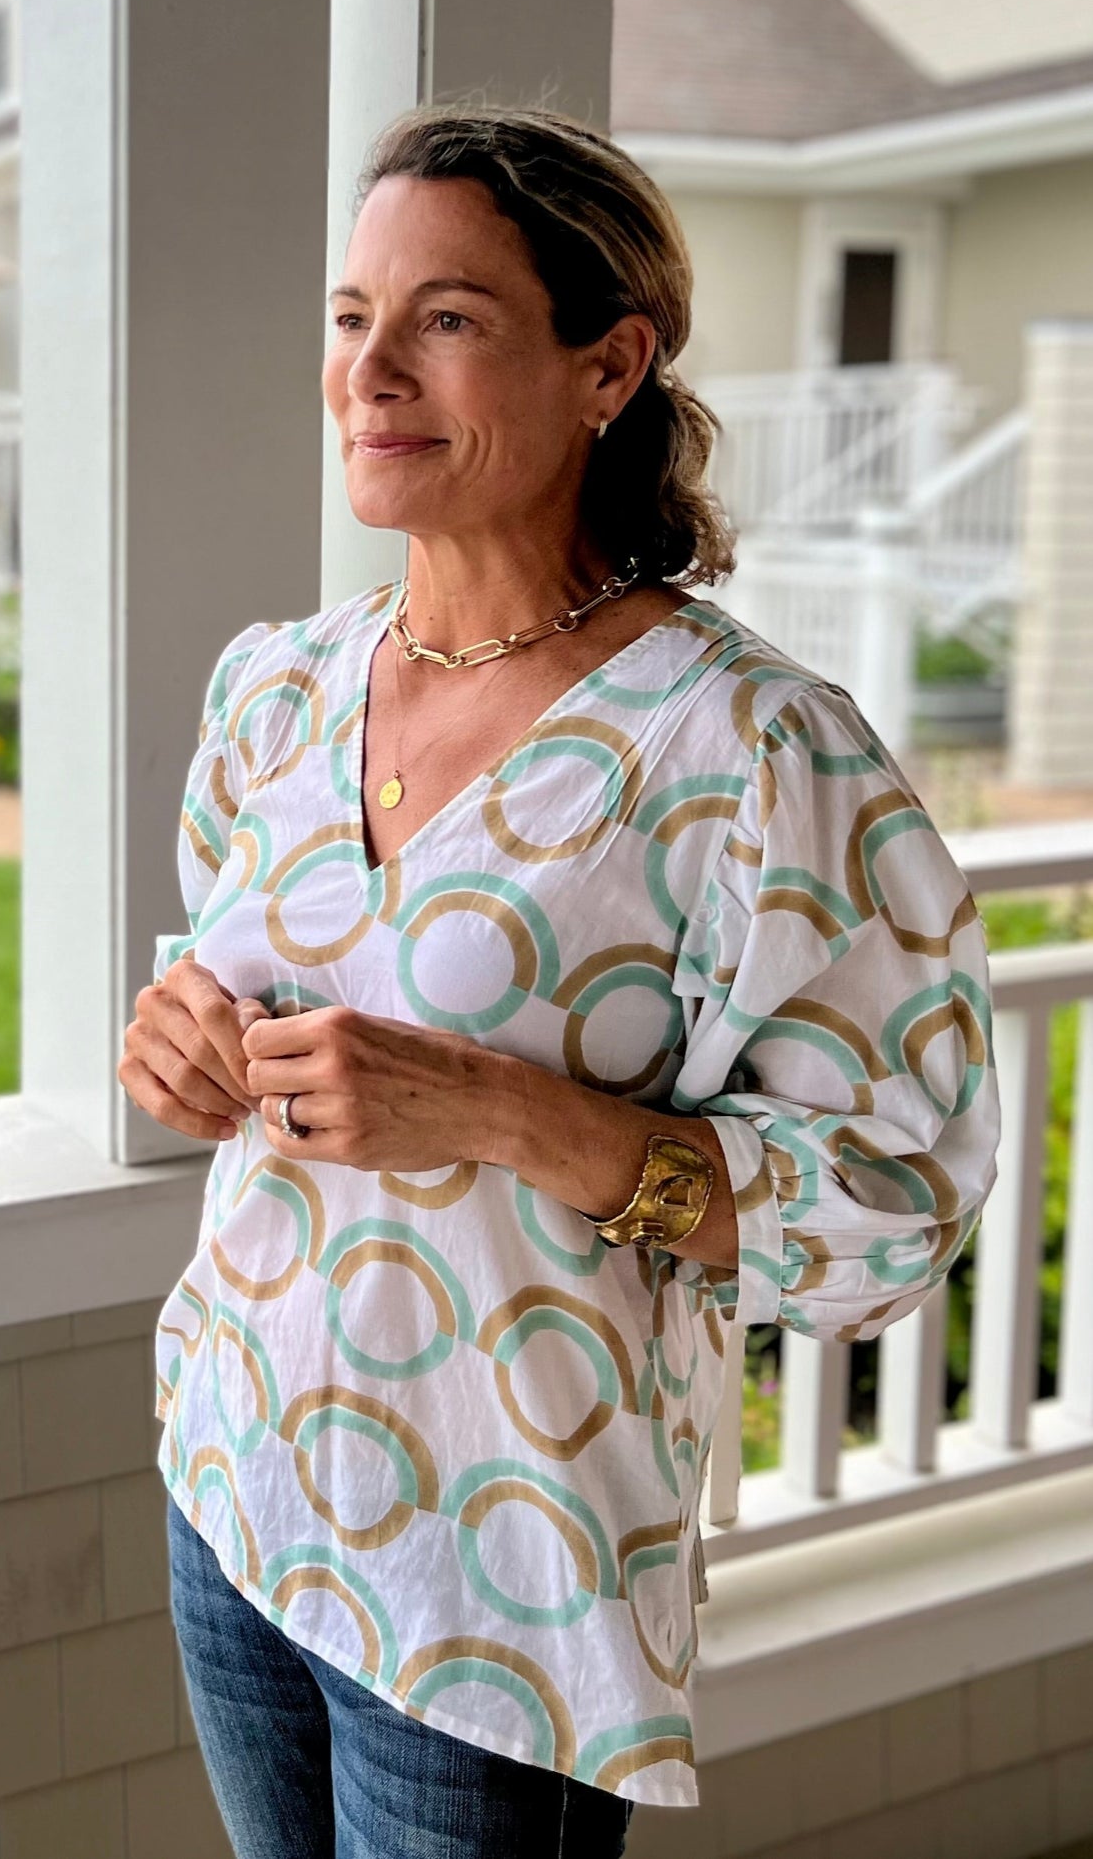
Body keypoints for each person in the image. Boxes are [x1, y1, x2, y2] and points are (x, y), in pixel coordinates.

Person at [120, 102, 1001, 1857]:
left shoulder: (748, 751)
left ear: (612, 367)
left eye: (446, 319)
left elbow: (896, 1191)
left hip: (500, 1577)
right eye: (351, 315)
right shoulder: (277, 692)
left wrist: (512, 1113)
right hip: (236, 1479)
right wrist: (174, 1043)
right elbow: (204, 987)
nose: (372, 369)